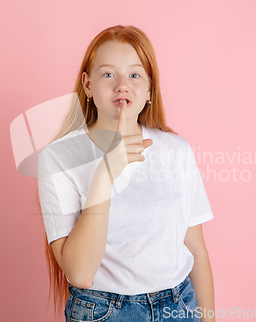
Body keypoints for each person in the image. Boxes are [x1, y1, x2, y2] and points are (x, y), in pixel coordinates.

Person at [36, 25, 215, 322]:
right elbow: (80, 273)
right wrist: (105, 174)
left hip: (178, 307)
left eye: (134, 75)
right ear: (88, 85)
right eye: (108, 74)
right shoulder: (58, 158)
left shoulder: (176, 151)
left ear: (148, 90)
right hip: (103, 312)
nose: (122, 85)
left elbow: (196, 248)